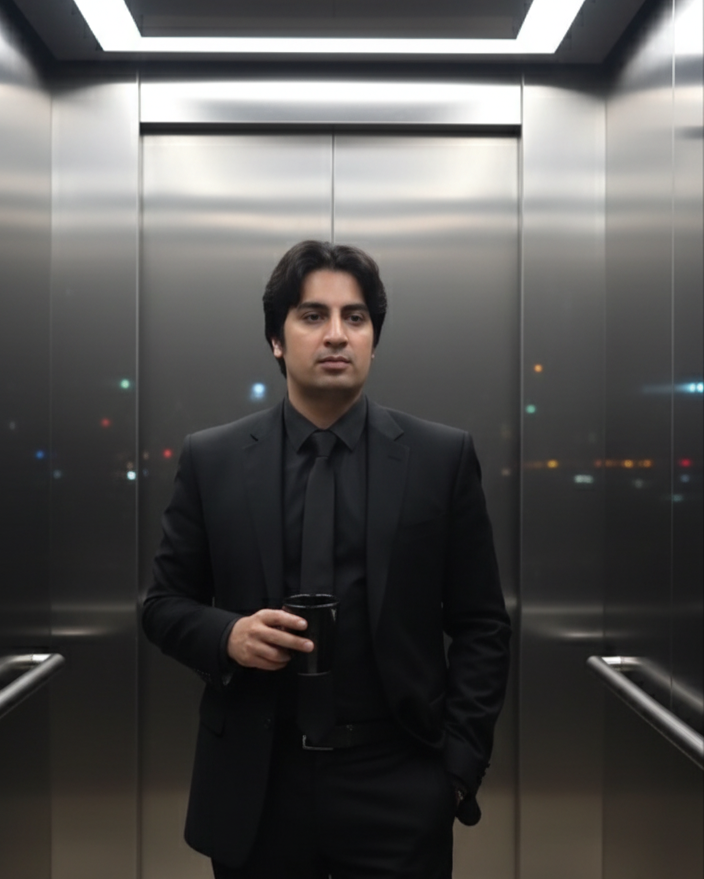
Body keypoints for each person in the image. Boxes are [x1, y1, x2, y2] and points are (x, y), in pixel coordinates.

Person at [142, 240, 511, 879]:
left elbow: (482, 623)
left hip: (398, 779)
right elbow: (162, 605)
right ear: (277, 340)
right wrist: (227, 634)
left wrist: (457, 769)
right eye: (313, 316)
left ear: (374, 338)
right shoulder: (214, 459)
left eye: (356, 317)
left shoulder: (439, 458)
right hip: (258, 784)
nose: (336, 334)